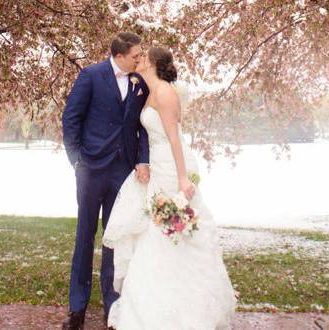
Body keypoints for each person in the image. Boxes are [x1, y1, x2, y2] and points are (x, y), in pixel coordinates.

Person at [103, 46, 237, 329]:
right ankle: (151, 306)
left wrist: (182, 179)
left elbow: (175, 139)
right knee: (156, 232)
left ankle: (184, 310)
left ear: (152, 63)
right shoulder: (149, 91)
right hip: (158, 167)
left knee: (172, 232)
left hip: (172, 166)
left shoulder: (164, 92)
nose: (138, 60)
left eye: (143, 57)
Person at [61, 32, 151, 330]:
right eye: (136, 54)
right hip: (90, 169)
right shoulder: (91, 75)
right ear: (120, 54)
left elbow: (142, 128)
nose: (140, 59)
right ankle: (77, 309)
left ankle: (112, 308)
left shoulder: (140, 84)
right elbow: (71, 118)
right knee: (84, 237)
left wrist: (141, 159)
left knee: (114, 238)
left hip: (122, 172)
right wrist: (76, 159)